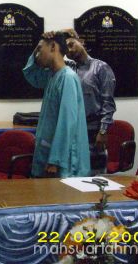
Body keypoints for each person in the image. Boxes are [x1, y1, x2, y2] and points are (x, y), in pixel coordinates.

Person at [23, 31, 90, 178]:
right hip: (48, 154)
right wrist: (39, 46)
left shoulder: (67, 78)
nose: (37, 55)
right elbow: (30, 74)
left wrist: (55, 160)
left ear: (53, 47)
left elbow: (67, 122)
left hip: (62, 162)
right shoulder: (51, 75)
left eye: (40, 49)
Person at [63, 29, 116, 174]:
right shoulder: (68, 69)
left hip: (93, 129)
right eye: (66, 49)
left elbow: (108, 103)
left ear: (81, 41)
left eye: (71, 44)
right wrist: (57, 34)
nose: (70, 50)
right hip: (74, 130)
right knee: (74, 175)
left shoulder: (100, 67)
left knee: (94, 175)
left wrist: (103, 131)